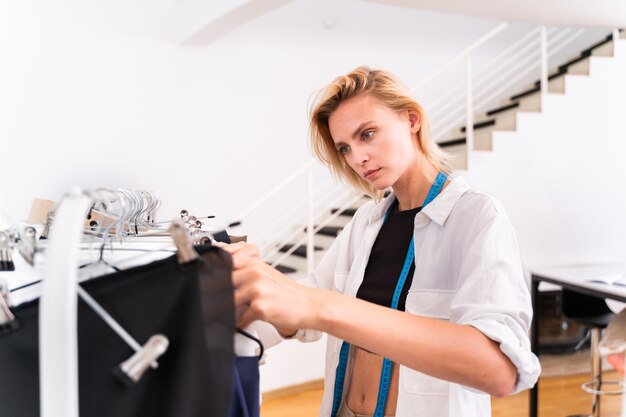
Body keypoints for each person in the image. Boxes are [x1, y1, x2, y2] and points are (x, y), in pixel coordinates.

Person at [220, 66, 541, 417]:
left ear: (412, 120)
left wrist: (324, 307)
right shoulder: (365, 223)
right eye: (345, 148)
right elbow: (303, 310)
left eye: (368, 134)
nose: (358, 158)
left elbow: (498, 370)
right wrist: (256, 282)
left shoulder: (477, 217)